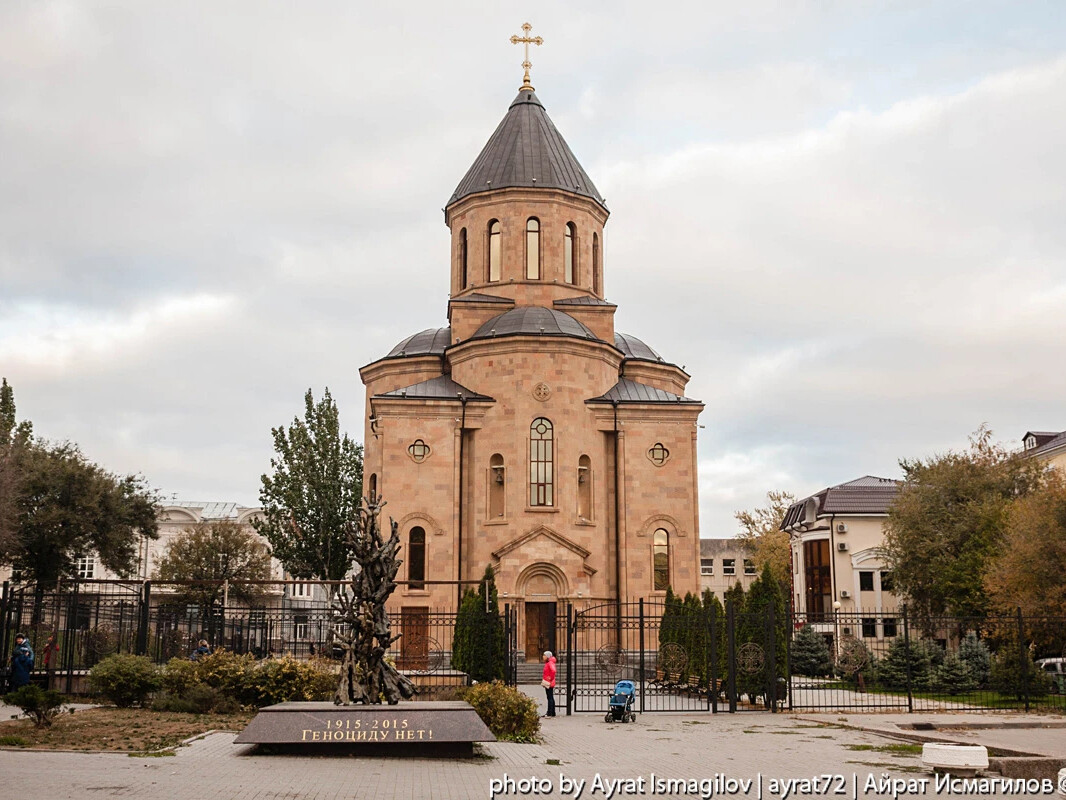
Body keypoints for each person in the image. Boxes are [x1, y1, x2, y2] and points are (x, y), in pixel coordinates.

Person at [541, 649, 557, 718]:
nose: (543, 656)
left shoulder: (550, 663)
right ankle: (552, 712)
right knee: (550, 697)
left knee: (549, 697)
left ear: (547, 656)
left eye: (544, 655)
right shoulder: (549, 662)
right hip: (549, 682)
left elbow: (553, 671)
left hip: (549, 682)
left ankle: (549, 713)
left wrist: (549, 678)